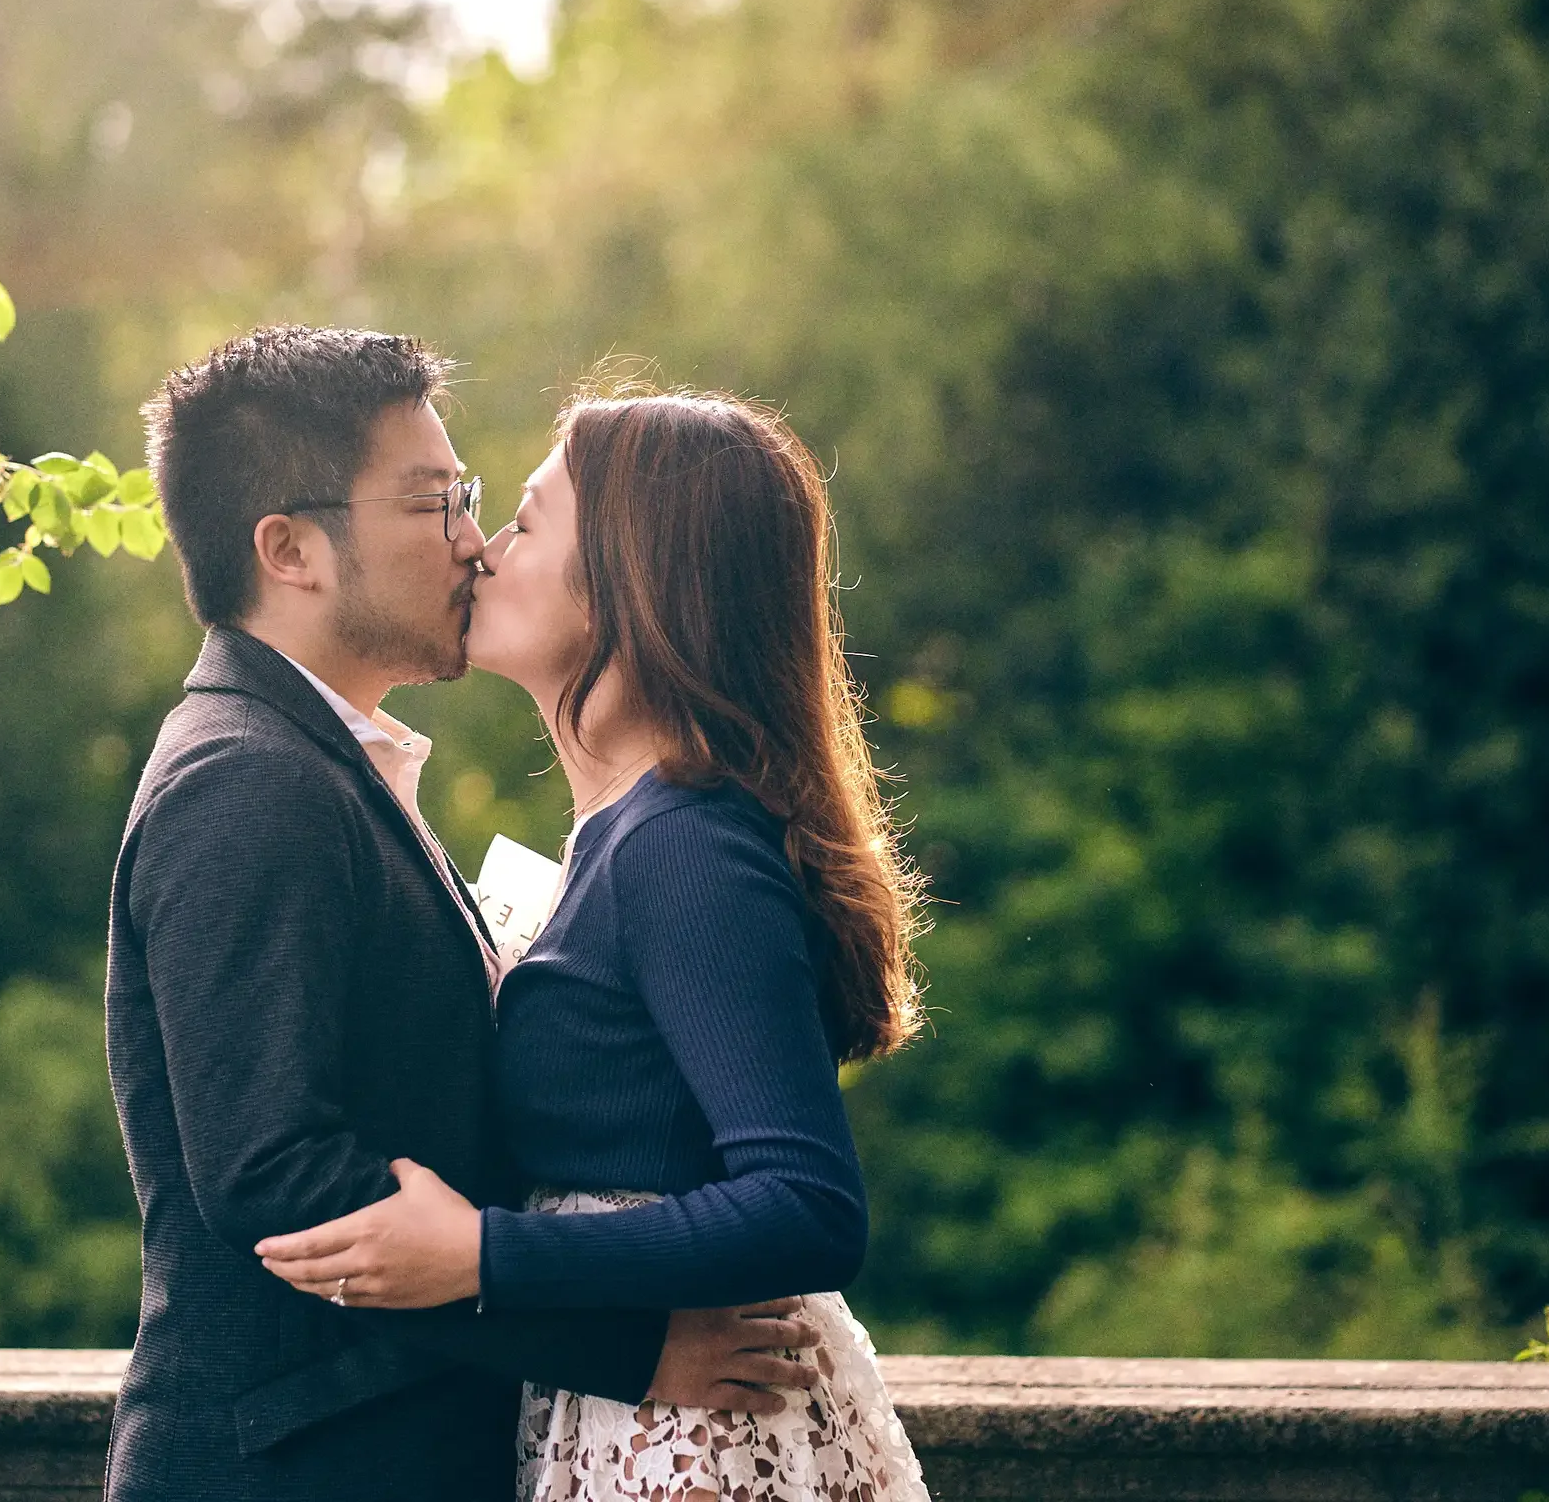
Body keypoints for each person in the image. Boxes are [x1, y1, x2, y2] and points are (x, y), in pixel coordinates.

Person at [105, 330, 828, 1502]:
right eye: (430, 502)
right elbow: (274, 1181)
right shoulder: (245, 779)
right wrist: (618, 1348)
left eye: (471, 500)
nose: (469, 541)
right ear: (290, 550)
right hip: (299, 1471)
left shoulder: (321, 763)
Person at [255, 385, 934, 1501]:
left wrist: (479, 1256)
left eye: (525, 523)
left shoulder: (681, 842)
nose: (482, 551)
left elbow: (807, 1201)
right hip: (639, 1413)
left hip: (703, 1441)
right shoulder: (625, 831)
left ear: (632, 574)